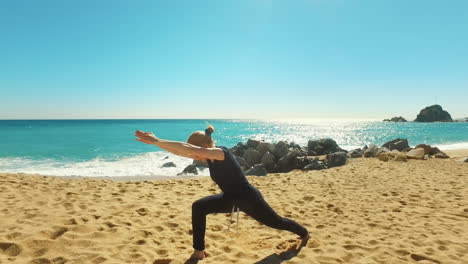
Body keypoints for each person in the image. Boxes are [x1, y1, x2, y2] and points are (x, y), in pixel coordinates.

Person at [135, 125, 309, 261]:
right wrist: (156, 144)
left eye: (197, 152)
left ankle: (304, 233)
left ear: (204, 146)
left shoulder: (220, 153)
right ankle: (199, 252)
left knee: (276, 222)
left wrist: (157, 140)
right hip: (231, 199)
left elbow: (187, 148)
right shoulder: (210, 157)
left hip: (249, 198)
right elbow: (182, 151)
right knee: (199, 207)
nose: (194, 158)